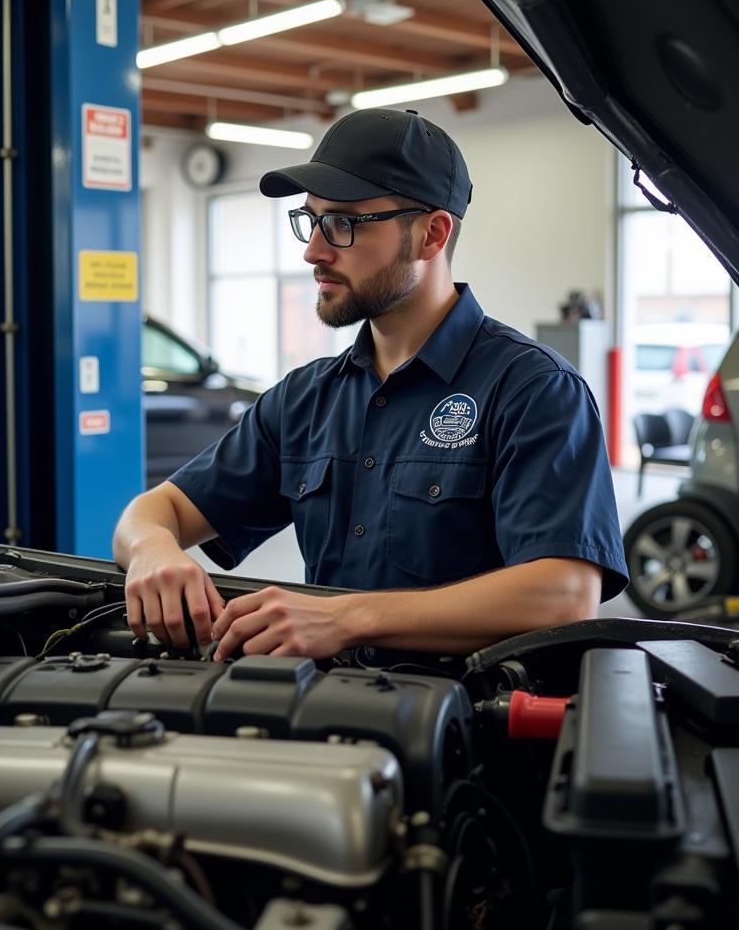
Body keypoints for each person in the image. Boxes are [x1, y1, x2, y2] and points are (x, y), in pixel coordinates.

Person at [113, 108, 627, 662]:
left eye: (344, 223)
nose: (313, 251)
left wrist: (347, 618)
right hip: (321, 719)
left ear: (431, 235)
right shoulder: (305, 399)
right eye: (310, 221)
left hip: (461, 727)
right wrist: (152, 552)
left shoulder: (533, 391)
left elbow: (564, 595)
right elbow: (153, 510)